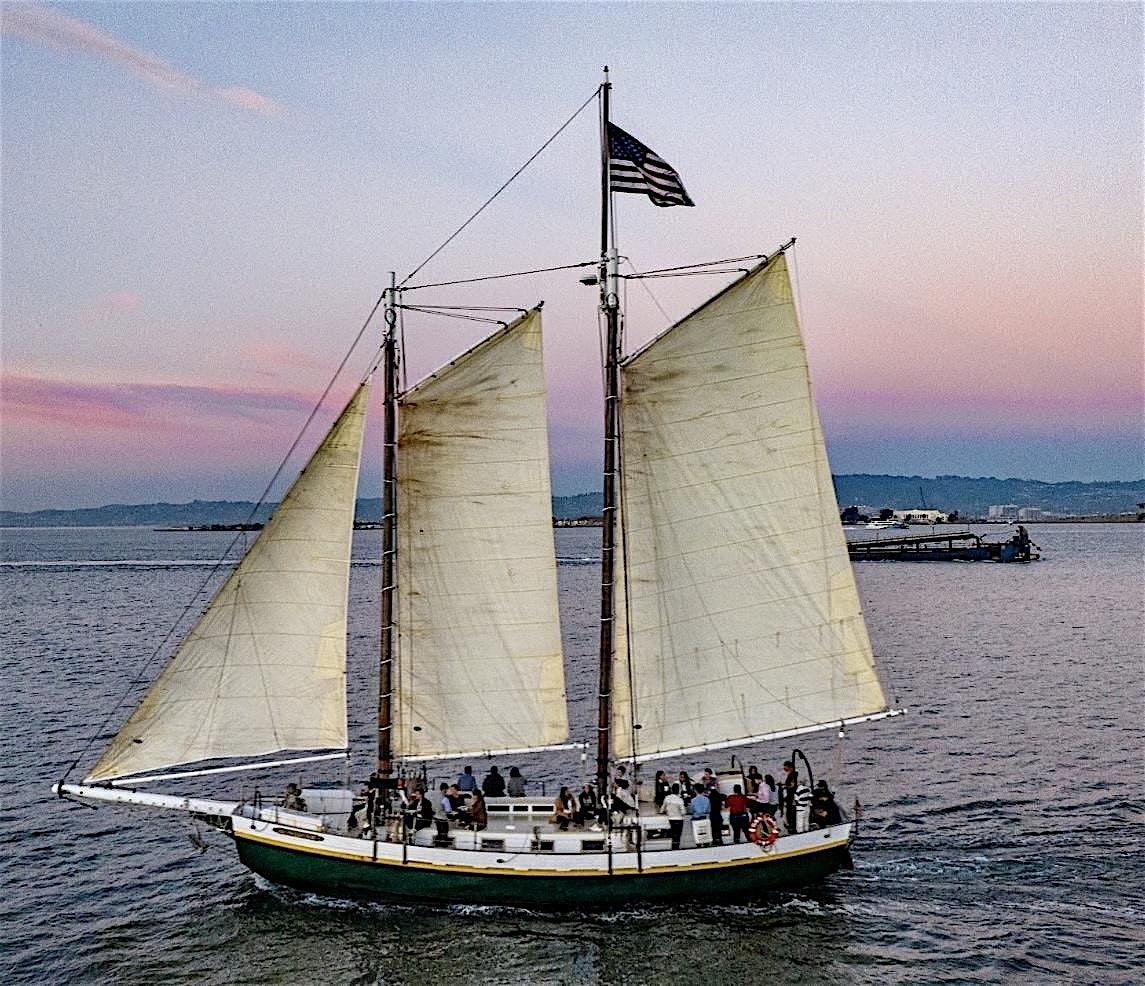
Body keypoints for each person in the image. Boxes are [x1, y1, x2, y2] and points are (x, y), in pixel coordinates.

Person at [662, 782, 686, 850]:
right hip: (679, 819)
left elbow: (662, 809)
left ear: (671, 790)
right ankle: (676, 848)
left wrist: (667, 811)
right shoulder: (680, 800)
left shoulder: (667, 798)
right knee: (678, 835)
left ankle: (673, 848)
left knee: (673, 835)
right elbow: (683, 812)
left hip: (671, 819)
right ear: (679, 791)